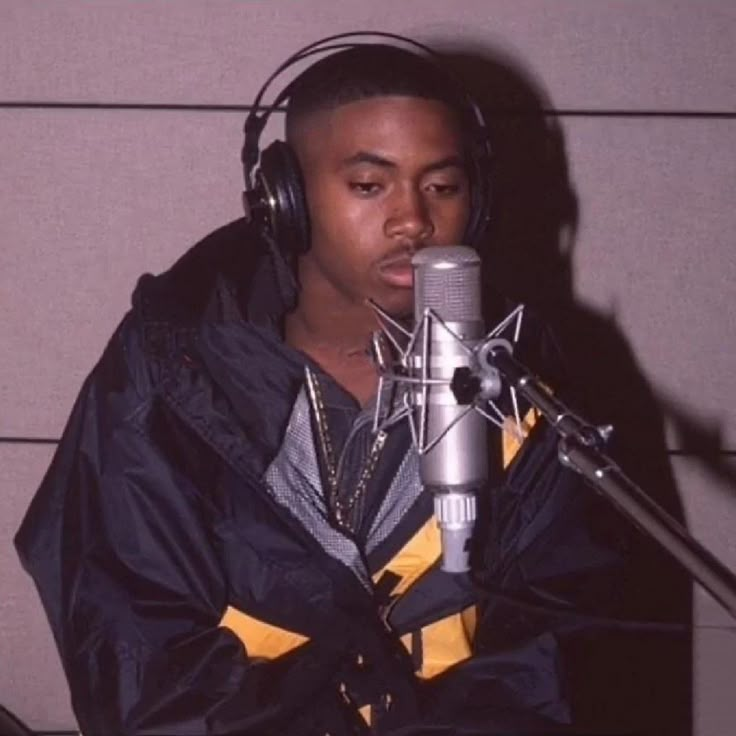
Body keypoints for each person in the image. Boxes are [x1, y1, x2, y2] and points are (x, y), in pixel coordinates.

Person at [15, 35, 627, 735]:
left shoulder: (528, 389)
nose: (414, 220)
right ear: (283, 199)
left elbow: (561, 652)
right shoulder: (166, 378)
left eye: (443, 186)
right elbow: (136, 666)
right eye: (370, 185)